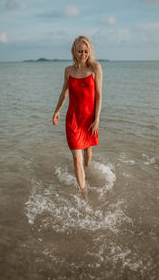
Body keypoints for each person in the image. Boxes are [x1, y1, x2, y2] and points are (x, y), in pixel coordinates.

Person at [52, 36, 102, 201]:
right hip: (72, 120)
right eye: (80, 51)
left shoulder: (95, 68)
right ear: (74, 51)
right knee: (76, 158)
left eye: (86, 51)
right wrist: (57, 111)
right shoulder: (68, 70)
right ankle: (84, 193)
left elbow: (99, 95)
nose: (83, 54)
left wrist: (97, 120)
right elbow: (64, 92)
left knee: (88, 152)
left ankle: (88, 170)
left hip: (89, 120)